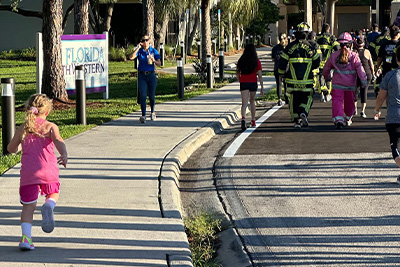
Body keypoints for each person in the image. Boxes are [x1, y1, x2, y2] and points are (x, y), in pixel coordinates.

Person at [7, 94, 68, 251]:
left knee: (28, 207)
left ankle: (26, 239)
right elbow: (59, 140)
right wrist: (64, 154)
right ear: (46, 111)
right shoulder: (50, 126)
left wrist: (21, 145)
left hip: (29, 173)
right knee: (54, 193)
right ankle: (49, 204)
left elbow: (11, 149)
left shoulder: (24, 128)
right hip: (48, 170)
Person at [278, 22, 321, 128]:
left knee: (293, 100)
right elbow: (317, 63)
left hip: (292, 81)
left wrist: (281, 74)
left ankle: (297, 121)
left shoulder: (290, 47)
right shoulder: (311, 47)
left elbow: (282, 63)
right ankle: (303, 111)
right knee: (308, 97)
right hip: (307, 81)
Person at [323, 32, 368, 129]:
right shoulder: (354, 56)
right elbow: (360, 69)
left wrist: (327, 77)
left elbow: (326, 69)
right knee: (349, 102)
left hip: (337, 85)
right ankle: (348, 117)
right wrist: (364, 80)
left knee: (337, 101)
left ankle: (339, 119)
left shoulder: (334, 56)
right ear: (350, 44)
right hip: (350, 85)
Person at [374, 47, 400, 183]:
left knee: (395, 147)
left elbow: (380, 97)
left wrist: (377, 110)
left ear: (397, 59)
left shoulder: (390, 76)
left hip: (394, 117)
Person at [128, 34, 161, 123]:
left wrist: (153, 60)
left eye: (146, 40)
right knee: (143, 95)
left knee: (151, 95)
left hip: (151, 75)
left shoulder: (153, 51)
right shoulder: (140, 51)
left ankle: (153, 112)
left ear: (149, 41)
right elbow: (131, 57)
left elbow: (159, 63)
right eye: (143, 41)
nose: (145, 42)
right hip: (142, 75)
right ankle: (143, 115)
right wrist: (137, 48)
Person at [236, 43, 264, 131]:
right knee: (252, 101)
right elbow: (259, 74)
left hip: (244, 82)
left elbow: (237, 72)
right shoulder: (256, 61)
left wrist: (239, 79)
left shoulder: (241, 60)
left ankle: (243, 118)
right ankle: (253, 120)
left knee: (244, 104)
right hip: (253, 82)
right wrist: (262, 86)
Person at [316, 23, 340, 102]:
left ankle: (321, 94)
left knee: (320, 77)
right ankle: (327, 94)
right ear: (328, 29)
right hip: (327, 62)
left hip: (319, 61)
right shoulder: (331, 37)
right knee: (328, 78)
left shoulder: (317, 37)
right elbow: (337, 48)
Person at [353, 37, 374, 118]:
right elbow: (371, 64)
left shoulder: (353, 52)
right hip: (366, 73)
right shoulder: (367, 52)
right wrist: (373, 73)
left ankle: (355, 109)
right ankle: (363, 110)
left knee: (355, 91)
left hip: (356, 74)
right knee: (364, 91)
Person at [271, 32, 287, 106]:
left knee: (279, 84)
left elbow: (273, 59)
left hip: (277, 68)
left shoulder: (275, 48)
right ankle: (286, 96)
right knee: (286, 83)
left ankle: (279, 98)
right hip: (286, 68)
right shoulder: (287, 48)